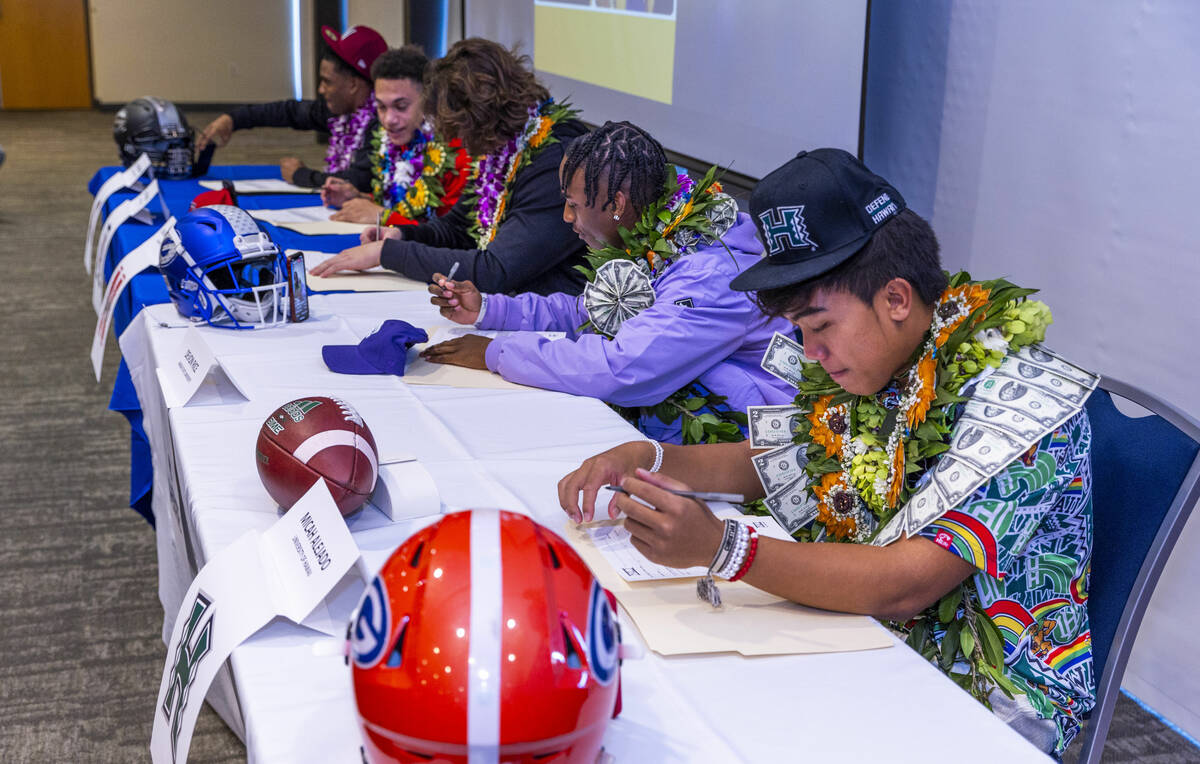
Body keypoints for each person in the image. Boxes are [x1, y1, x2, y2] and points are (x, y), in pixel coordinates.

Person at [558, 149, 1096, 756]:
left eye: (820, 327)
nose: (809, 353)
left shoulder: (1018, 406)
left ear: (895, 298)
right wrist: (650, 459)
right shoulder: (885, 358)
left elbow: (905, 584)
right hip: (865, 631)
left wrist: (724, 548)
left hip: (978, 695)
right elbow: (770, 461)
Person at [418, 121, 797, 443]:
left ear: (616, 204)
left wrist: (495, 353)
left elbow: (622, 368)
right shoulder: (654, 238)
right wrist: (490, 308)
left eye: (573, 203)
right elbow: (589, 311)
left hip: (746, 442)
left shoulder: (709, 275)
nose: (566, 217)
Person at [308, 38, 588, 296]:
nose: (460, 144)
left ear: (483, 117)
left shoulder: (555, 160)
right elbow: (458, 228)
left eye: (460, 130)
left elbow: (496, 270)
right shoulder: (502, 147)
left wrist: (389, 254)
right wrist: (402, 235)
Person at [196, 25, 386, 188]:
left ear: (353, 85)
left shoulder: (382, 123)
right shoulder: (345, 114)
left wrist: (300, 175)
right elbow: (290, 112)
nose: (321, 89)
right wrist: (233, 119)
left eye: (327, 82)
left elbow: (358, 181)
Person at [318, 46, 471, 226]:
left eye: (401, 106)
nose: (389, 120)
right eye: (381, 107)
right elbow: (400, 203)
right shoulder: (395, 141)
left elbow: (451, 235)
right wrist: (358, 196)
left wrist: (383, 216)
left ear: (428, 100)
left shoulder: (455, 154)